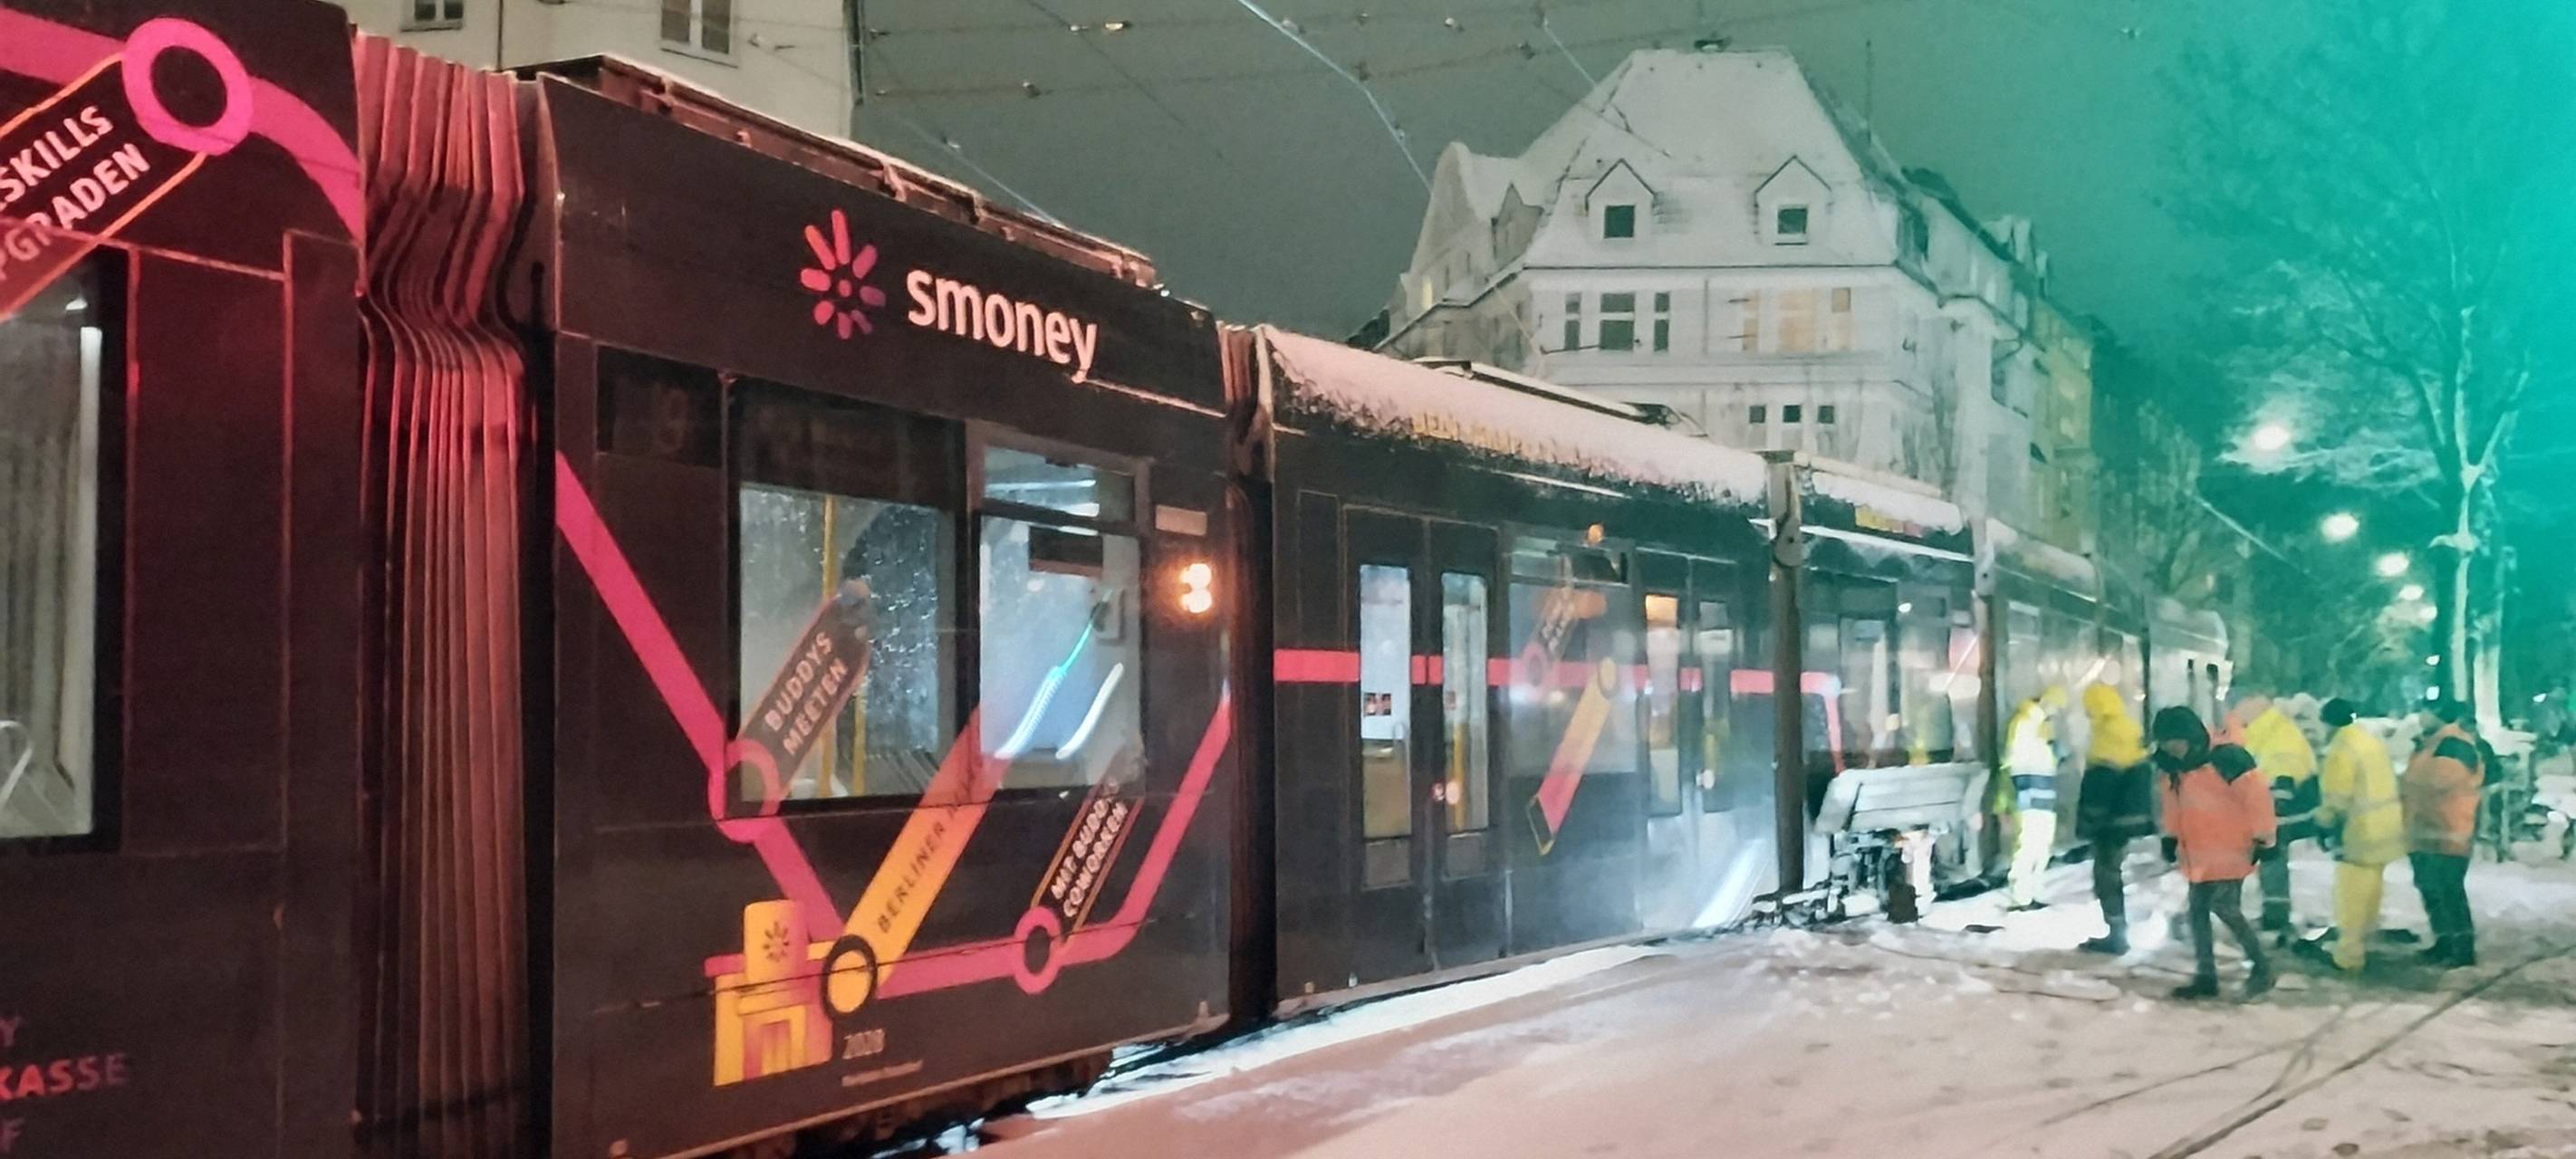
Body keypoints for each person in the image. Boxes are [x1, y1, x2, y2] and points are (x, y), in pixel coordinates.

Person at [2155, 705, 2276, 1000]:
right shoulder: (2174, 768)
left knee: (2226, 908)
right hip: (2198, 853)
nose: (2172, 748)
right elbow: (2174, 805)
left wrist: (2264, 838)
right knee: (2197, 913)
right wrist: (2170, 837)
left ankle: (2262, 968)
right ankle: (2206, 976)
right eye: (2166, 742)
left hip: (2231, 849)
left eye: (2175, 741)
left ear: (2189, 735)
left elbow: (2257, 798)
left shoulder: (2227, 759)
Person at [2314, 698, 2404, 972]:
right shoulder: (2370, 741)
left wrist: (2324, 824)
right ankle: (2367, 939)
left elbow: (2337, 800)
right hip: (2387, 828)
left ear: (2327, 722)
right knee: (2372, 887)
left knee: (2351, 894)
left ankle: (2349, 955)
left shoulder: (2341, 750)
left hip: (2360, 831)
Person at [2403, 700, 2485, 968]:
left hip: (2450, 830)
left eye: (2425, 712)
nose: (2420, 717)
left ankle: (2462, 949)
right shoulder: (2430, 744)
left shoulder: (2453, 744)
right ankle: (2444, 942)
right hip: (2426, 831)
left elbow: (2438, 780)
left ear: (2438, 714)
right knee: (2431, 890)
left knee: (2449, 892)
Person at [2230, 691, 2320, 935]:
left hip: (2281, 812)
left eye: (2238, 706)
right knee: (2271, 862)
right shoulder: (2269, 729)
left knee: (2270, 861)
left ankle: (2275, 917)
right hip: (2279, 810)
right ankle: (2274, 914)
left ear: (2252, 705)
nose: (2235, 714)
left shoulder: (2277, 738)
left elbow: (2282, 785)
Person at [2075, 684, 2154, 953]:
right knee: (2112, 873)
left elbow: (2100, 786)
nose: (2087, 713)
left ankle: (2117, 934)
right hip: (2126, 818)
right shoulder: (2128, 728)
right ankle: (2117, 932)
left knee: (2106, 876)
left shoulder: (2107, 735)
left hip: (2110, 823)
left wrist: (2088, 822)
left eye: (2089, 707)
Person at [2004, 686, 2070, 911]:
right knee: (2029, 846)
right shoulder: (2025, 724)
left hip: (2040, 794)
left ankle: (2030, 894)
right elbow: (2016, 763)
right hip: (2030, 795)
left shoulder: (2041, 727)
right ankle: (2022, 897)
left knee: (2040, 847)